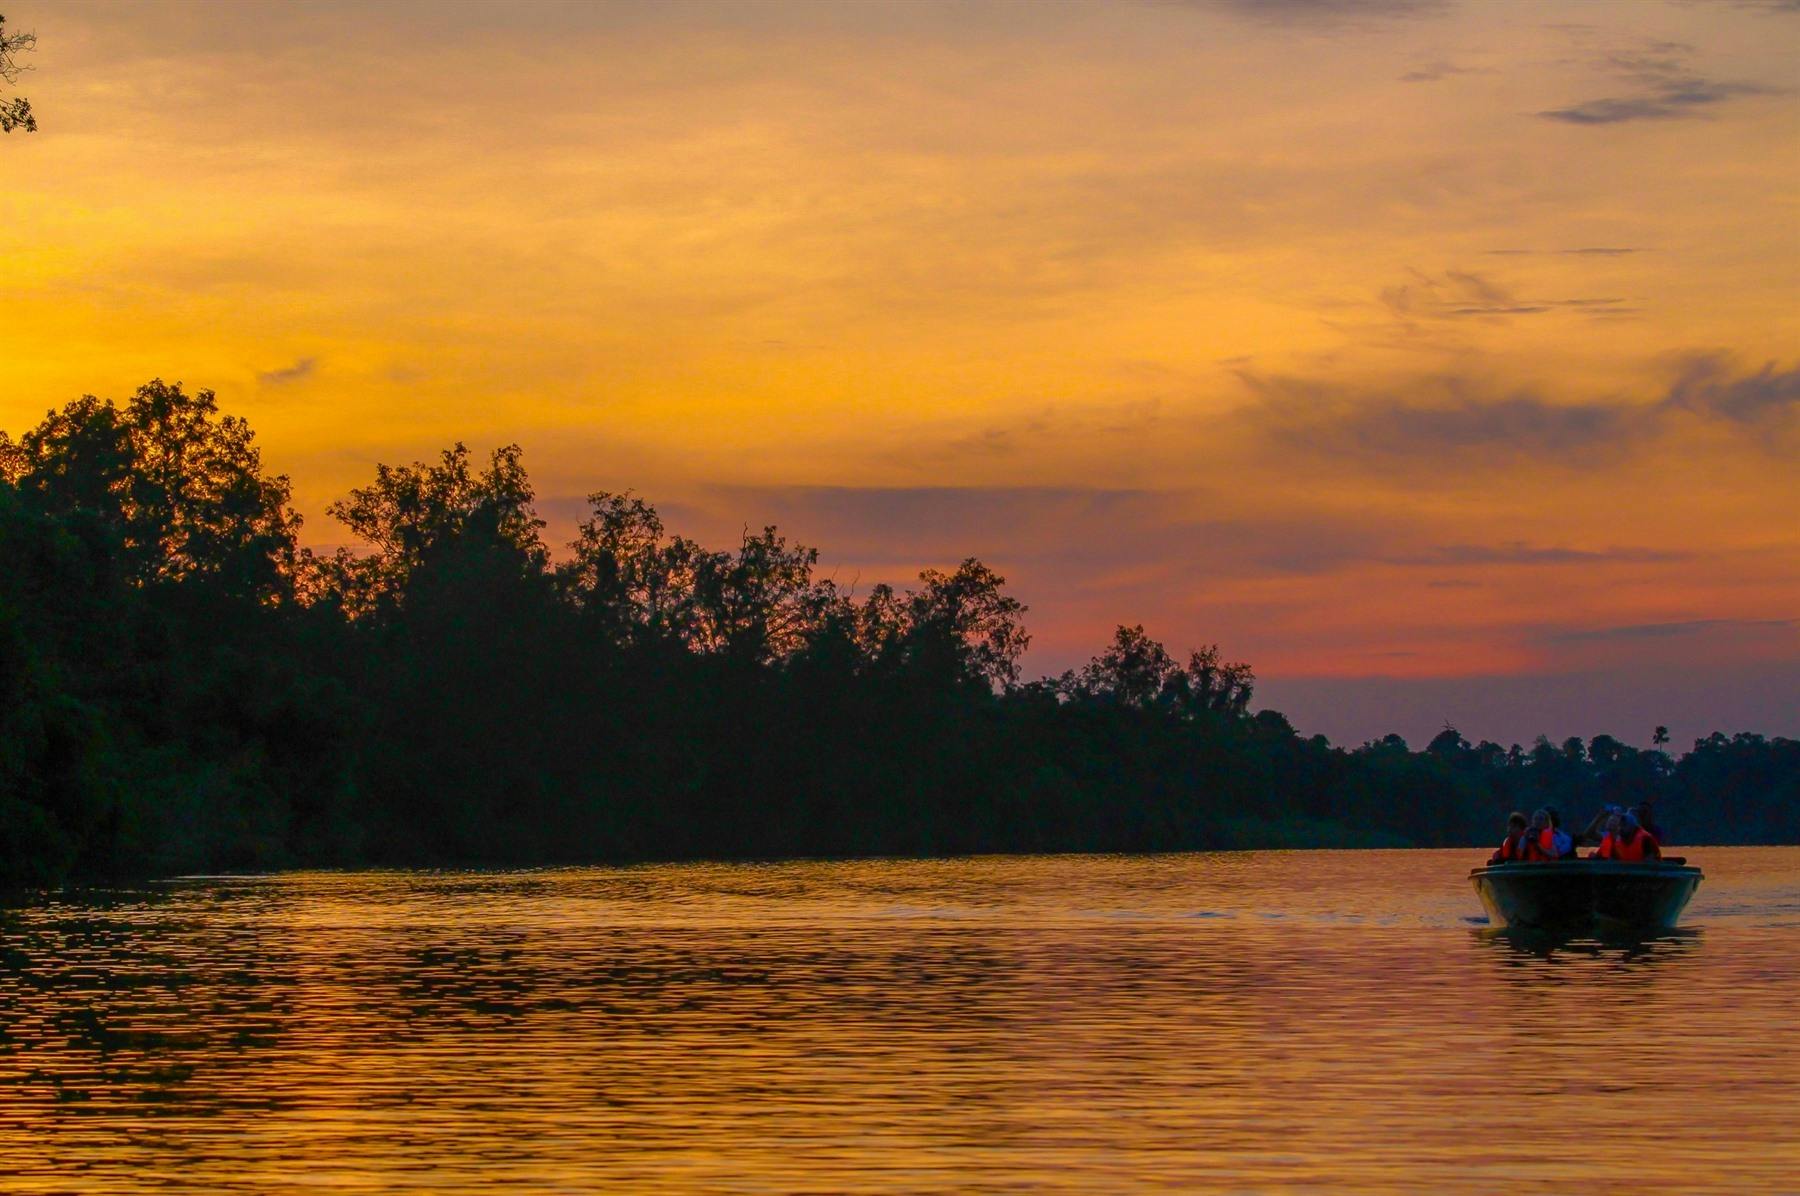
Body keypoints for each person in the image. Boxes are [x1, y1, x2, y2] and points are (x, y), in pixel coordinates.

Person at [1589, 810, 1662, 862]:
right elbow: (1612, 860)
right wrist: (1596, 857)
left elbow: (1651, 865)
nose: (1621, 828)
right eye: (1620, 825)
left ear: (1632, 827)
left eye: (1624, 825)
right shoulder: (1617, 841)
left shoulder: (1645, 840)